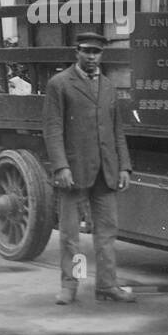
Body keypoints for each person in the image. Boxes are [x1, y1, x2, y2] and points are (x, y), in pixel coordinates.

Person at [43, 31, 135, 305]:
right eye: (87, 51)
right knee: (70, 235)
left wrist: (124, 167)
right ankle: (68, 287)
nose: (92, 57)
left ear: (102, 55)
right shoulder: (59, 84)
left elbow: (117, 130)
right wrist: (61, 166)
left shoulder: (108, 86)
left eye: (96, 52)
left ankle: (107, 286)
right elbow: (53, 129)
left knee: (107, 232)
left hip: (105, 172)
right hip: (74, 171)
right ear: (77, 52)